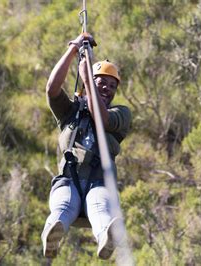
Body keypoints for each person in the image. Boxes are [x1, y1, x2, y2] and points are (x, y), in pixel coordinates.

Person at [41, 33, 131, 260]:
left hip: (99, 183)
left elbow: (100, 118)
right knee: (63, 206)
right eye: (101, 81)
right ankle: (51, 237)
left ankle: (104, 239)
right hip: (68, 180)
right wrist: (73, 49)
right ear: (88, 82)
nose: (107, 88)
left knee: (99, 206)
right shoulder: (70, 112)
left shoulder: (120, 114)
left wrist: (88, 78)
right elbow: (52, 88)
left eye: (112, 85)